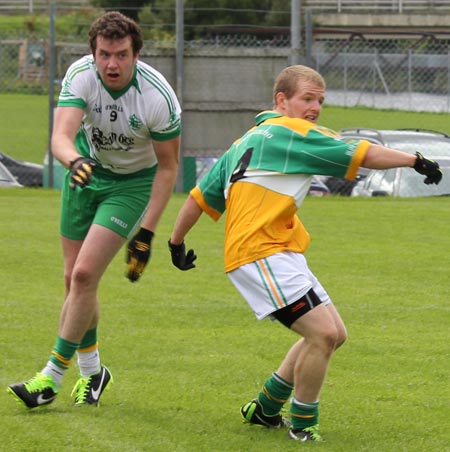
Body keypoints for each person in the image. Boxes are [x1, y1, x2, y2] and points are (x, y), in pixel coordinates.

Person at [167, 65, 442, 442]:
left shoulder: (244, 141)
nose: (314, 108)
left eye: (320, 101)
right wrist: (414, 160)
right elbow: (363, 154)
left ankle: (266, 407)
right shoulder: (293, 131)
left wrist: (175, 243)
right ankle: (302, 424)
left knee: (335, 334)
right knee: (323, 334)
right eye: (307, 99)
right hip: (259, 252)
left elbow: (200, 198)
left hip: (277, 251)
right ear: (281, 101)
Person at [8, 11, 181, 409]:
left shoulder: (158, 98)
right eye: (104, 54)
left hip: (131, 185)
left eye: (121, 54)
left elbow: (168, 169)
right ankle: (93, 371)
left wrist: (147, 234)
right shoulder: (81, 75)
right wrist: (75, 162)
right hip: (84, 174)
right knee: (73, 280)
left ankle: (49, 378)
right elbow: (61, 138)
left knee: (85, 274)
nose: (111, 64)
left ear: (136, 54)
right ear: (93, 52)